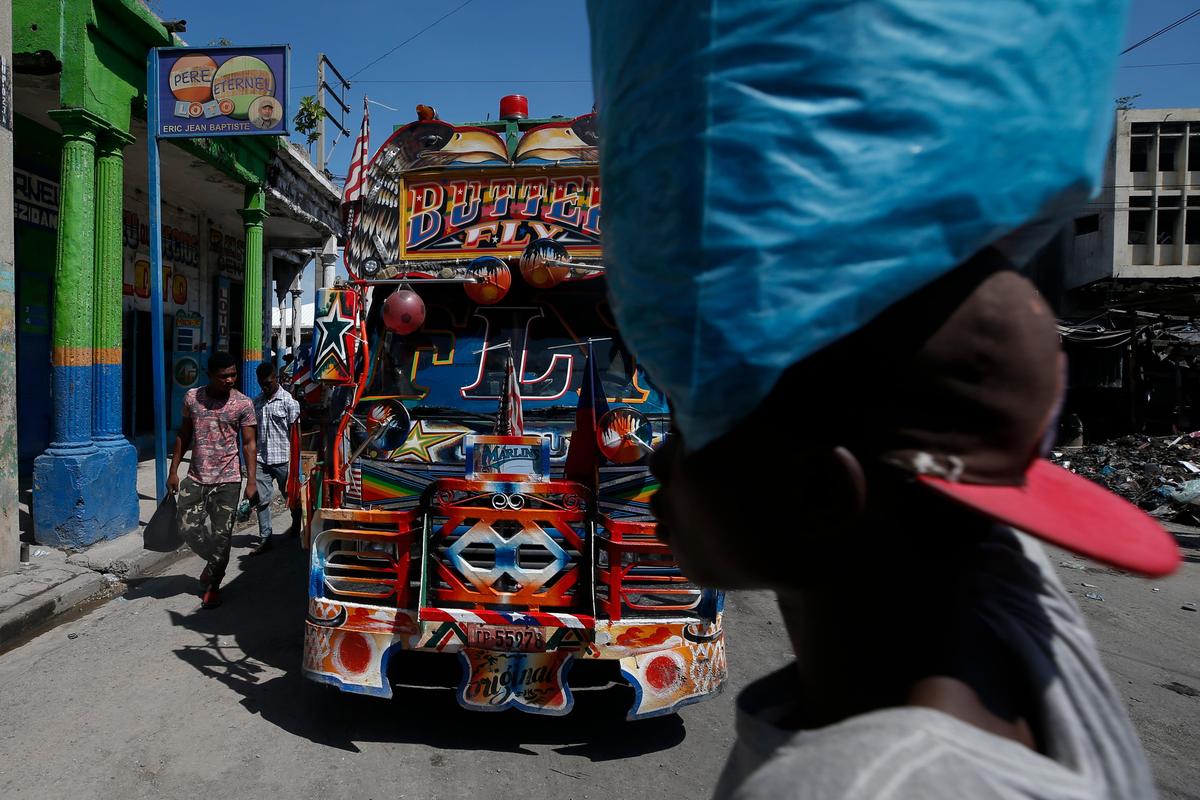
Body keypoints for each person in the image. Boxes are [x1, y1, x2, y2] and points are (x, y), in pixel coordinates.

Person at [586, 1, 1180, 798]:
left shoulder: (853, 785)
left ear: (825, 492)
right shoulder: (1011, 615)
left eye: (696, 429)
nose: (659, 458)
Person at [168, 351, 257, 609]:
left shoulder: (243, 403)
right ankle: (215, 560)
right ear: (210, 376)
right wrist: (173, 471)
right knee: (187, 528)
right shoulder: (192, 398)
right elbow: (183, 435)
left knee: (222, 535)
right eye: (223, 376)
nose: (230, 380)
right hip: (196, 476)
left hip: (228, 479)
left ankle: (213, 584)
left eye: (233, 374)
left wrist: (251, 481)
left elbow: (250, 444)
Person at [249, 361, 301, 555]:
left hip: (283, 460)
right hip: (262, 459)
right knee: (261, 500)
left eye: (269, 383)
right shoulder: (256, 402)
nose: (265, 387)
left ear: (276, 380)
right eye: (262, 383)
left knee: (291, 498)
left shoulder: (288, 402)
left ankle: (296, 524)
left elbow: (295, 434)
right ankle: (266, 538)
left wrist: (297, 464)